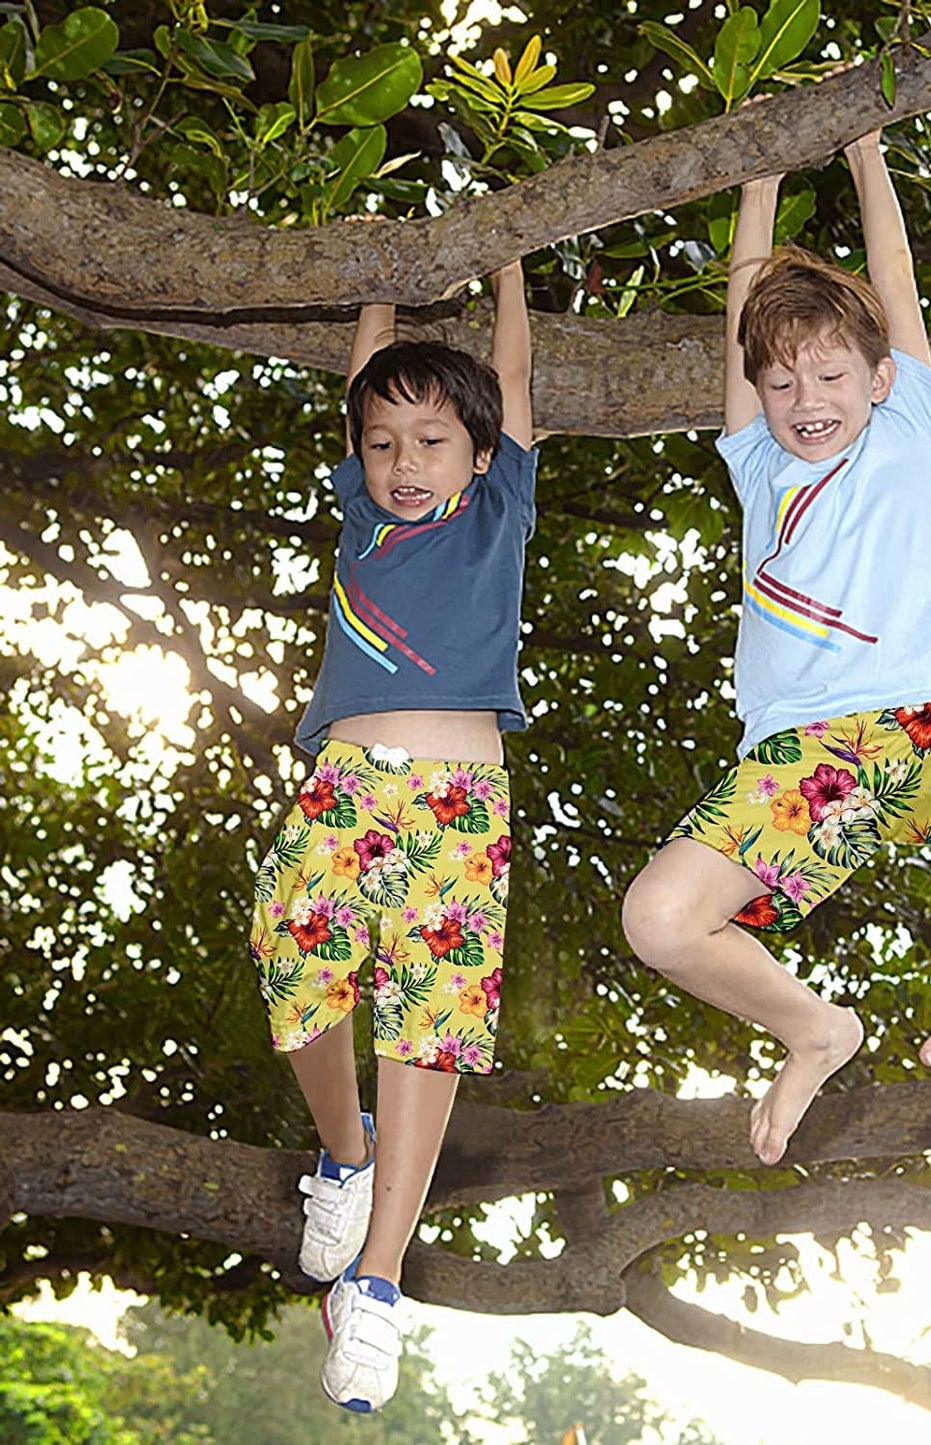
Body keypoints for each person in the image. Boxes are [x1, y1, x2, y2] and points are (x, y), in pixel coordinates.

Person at [622, 131, 931, 1168]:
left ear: (881, 377)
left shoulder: (902, 423)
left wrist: (864, 156)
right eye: (783, 386)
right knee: (657, 918)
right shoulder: (755, 460)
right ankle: (811, 1026)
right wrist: (758, 177)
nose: (807, 403)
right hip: (803, 758)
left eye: (831, 377)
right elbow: (745, 317)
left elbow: (891, 280)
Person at [249, 262, 535, 1412]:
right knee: (291, 956)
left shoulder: (501, 505)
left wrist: (510, 259)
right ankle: (345, 1155)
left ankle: (375, 1285)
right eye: (383, 443)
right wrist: (376, 281)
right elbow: (360, 378)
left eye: (431, 441)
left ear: (477, 452)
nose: (405, 463)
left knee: (431, 1023)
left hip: (462, 793)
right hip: (348, 775)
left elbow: (511, 380)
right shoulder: (362, 519)